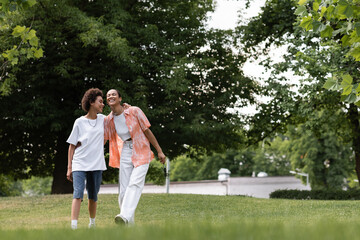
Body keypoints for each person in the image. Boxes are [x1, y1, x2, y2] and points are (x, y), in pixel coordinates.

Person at [104, 89, 166, 225]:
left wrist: (159, 151)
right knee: (123, 191)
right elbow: (103, 137)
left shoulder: (134, 111)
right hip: (126, 150)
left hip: (142, 148)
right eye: (108, 95)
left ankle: (124, 216)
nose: (110, 96)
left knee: (135, 183)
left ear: (120, 98)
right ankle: (127, 224)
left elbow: (147, 131)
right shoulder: (109, 120)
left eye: (114, 94)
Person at [66, 88, 107, 230]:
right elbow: (71, 146)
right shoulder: (79, 122)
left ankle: (92, 223)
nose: (103, 104)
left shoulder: (104, 120)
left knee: (93, 195)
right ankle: (74, 226)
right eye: (100, 102)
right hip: (79, 163)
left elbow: (118, 115)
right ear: (91, 102)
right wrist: (69, 167)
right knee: (78, 194)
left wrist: (127, 108)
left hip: (97, 164)